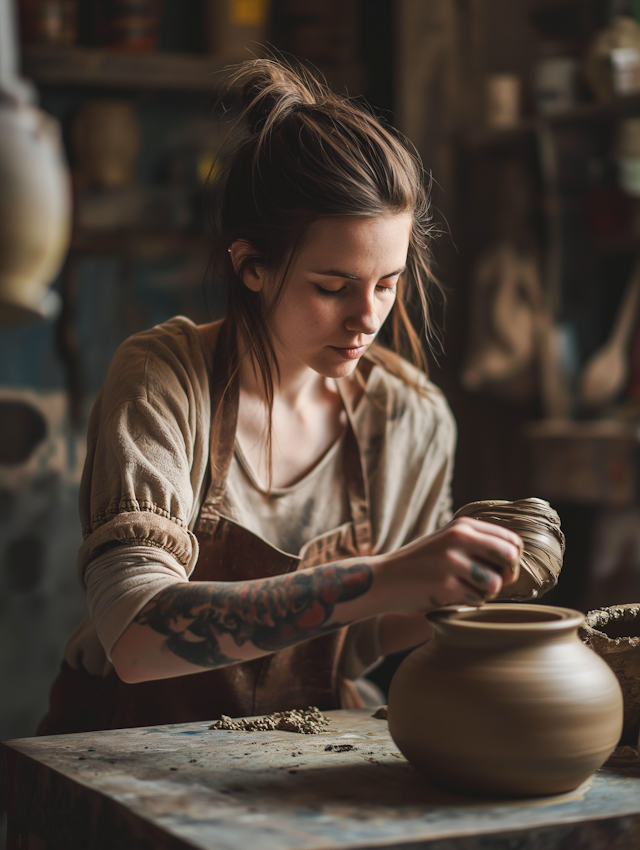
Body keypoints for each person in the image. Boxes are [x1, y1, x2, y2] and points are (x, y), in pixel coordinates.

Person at [38, 59, 522, 735]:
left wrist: (464, 585)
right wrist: (381, 577)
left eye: (387, 282)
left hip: (288, 756)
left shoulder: (408, 417)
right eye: (333, 286)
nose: (368, 317)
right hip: (126, 748)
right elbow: (138, 640)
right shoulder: (162, 380)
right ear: (252, 268)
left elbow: (365, 638)